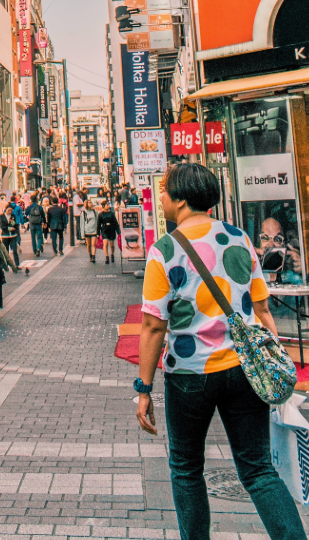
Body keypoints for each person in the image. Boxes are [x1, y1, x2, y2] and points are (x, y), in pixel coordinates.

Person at [136, 163, 307, 540]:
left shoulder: (164, 250)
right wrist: (273, 361)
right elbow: (262, 309)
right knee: (259, 470)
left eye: (165, 192)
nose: (160, 198)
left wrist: (143, 388)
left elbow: (152, 325)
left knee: (185, 468)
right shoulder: (239, 238)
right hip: (245, 369)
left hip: (189, 374)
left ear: (180, 199)